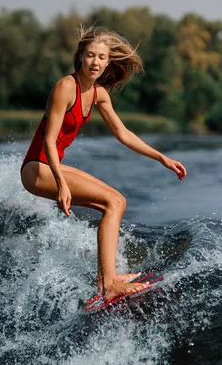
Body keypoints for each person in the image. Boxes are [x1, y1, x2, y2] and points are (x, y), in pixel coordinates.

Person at [21, 26, 186, 302]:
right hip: (37, 168)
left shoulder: (98, 94)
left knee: (115, 201)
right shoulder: (65, 87)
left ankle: (104, 278)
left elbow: (124, 134)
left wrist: (163, 158)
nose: (95, 62)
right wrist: (62, 185)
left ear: (108, 62)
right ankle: (109, 284)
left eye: (101, 57)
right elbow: (49, 141)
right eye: (89, 56)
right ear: (80, 57)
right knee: (113, 201)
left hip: (50, 168)